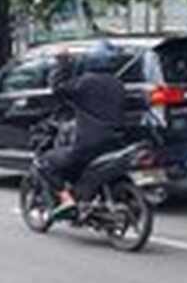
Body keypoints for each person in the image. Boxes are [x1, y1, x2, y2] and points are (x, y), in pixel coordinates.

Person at [34, 50, 127, 218]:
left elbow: (58, 88)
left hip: (89, 144)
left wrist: (63, 63)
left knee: (46, 162)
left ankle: (66, 199)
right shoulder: (117, 84)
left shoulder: (85, 83)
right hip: (116, 141)